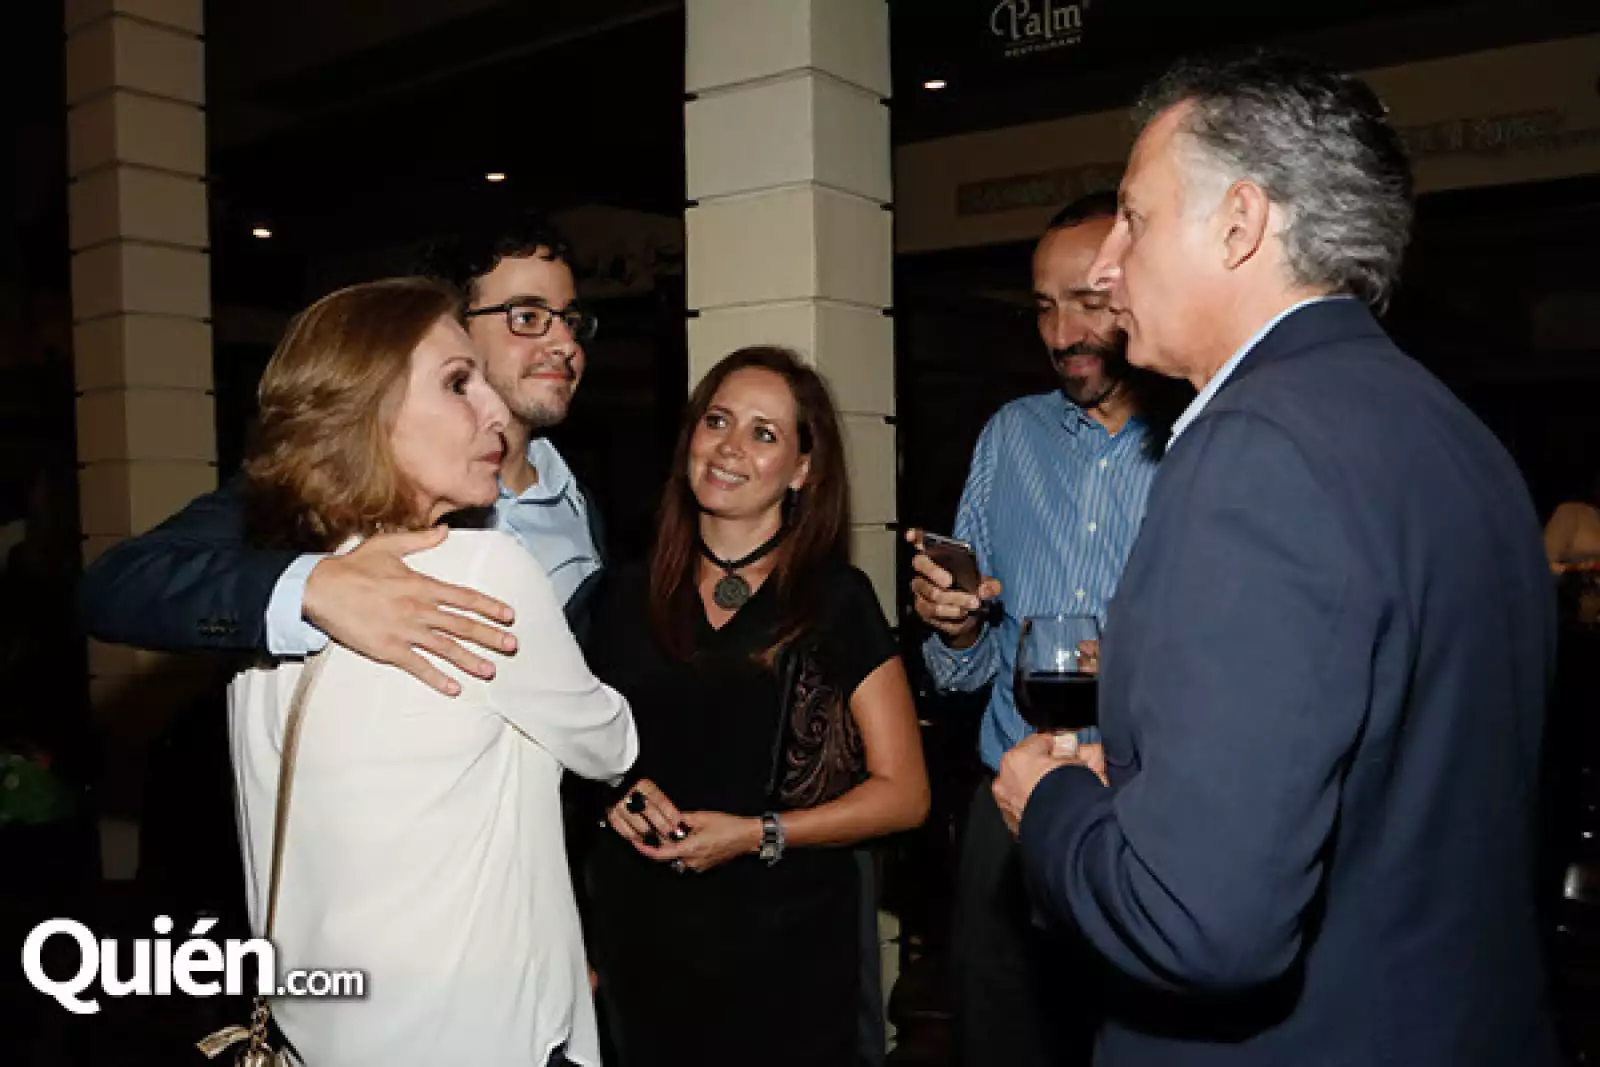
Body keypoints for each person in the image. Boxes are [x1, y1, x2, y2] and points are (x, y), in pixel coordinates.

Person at [994, 52, 1560, 1066]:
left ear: (1240, 223)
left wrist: (1052, 807)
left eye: (1135, 217)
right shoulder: (1457, 435)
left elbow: (1198, 919)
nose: (1109, 263)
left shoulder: (1256, 449)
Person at [224, 278, 637, 1065]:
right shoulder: (483, 569)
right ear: (369, 414)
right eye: (457, 382)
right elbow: (610, 743)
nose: (492, 411)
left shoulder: (277, 596)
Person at [582, 346, 929, 1067]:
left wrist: (756, 833)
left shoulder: (837, 601)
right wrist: (607, 794)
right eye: (717, 420)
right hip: (641, 946)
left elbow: (905, 795)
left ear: (803, 469)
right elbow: (569, 759)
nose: (730, 447)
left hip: (787, 955)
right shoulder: (617, 596)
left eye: (764, 432)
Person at [77, 209, 597, 682]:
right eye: (527, 317)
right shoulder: (336, 483)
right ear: (449, 330)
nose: (565, 345)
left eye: (570, 320)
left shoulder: (583, 503)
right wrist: (312, 588)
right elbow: (117, 587)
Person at [905, 191, 1163, 1067]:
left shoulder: (1201, 442)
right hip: (1009, 807)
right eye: (1045, 307)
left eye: (1088, 301)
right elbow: (962, 671)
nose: (1063, 334)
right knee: (1003, 1041)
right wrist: (955, 624)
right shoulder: (1010, 438)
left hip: (1149, 809)